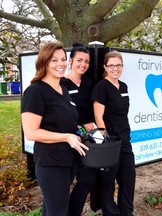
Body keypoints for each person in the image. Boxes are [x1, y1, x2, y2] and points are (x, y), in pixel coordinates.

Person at [21, 42, 88, 216]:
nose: (60, 64)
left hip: (68, 161)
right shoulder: (35, 91)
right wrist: (67, 137)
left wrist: (79, 130)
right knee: (58, 211)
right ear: (44, 62)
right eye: (54, 60)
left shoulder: (63, 90)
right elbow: (31, 132)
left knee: (52, 210)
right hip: (51, 164)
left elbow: (64, 122)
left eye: (63, 59)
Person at [91, 50, 136, 215]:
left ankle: (126, 212)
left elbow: (123, 113)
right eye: (111, 65)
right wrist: (106, 140)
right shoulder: (101, 87)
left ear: (122, 66)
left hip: (125, 140)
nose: (115, 68)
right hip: (111, 143)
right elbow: (98, 116)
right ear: (105, 66)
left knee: (128, 179)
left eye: (118, 65)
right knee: (107, 183)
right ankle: (110, 213)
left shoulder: (123, 86)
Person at [60, 43, 97, 216]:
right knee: (62, 184)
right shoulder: (61, 84)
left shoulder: (89, 82)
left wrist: (92, 128)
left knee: (87, 180)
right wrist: (80, 129)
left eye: (87, 61)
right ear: (71, 61)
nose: (83, 64)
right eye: (79, 60)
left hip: (87, 140)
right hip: (67, 140)